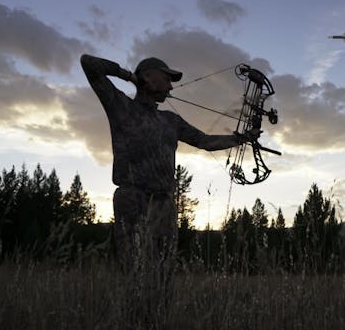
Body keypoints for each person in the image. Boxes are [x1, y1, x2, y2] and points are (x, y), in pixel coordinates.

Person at [80, 54, 258, 325]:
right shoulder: (121, 107)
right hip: (133, 197)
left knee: (163, 274)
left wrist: (241, 138)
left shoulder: (170, 121)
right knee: (136, 270)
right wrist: (129, 75)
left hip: (164, 203)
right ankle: (134, 321)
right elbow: (88, 63)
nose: (171, 87)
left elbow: (205, 141)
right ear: (148, 76)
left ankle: (158, 320)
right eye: (167, 78)